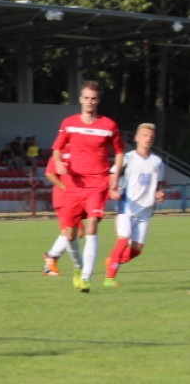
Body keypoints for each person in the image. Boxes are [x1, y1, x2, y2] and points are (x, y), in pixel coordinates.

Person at [51, 80, 124, 293]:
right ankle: (78, 266)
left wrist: (114, 174)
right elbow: (57, 148)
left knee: (92, 225)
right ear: (81, 99)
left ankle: (86, 277)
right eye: (86, 98)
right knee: (71, 234)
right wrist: (58, 162)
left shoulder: (109, 125)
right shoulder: (69, 123)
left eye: (93, 98)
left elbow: (119, 152)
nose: (90, 101)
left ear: (98, 100)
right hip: (73, 184)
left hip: (97, 183)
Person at [103, 123, 165, 287]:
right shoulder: (127, 158)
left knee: (137, 250)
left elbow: (158, 184)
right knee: (123, 241)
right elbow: (112, 174)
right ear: (136, 138)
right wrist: (112, 189)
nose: (148, 138)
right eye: (144, 135)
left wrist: (159, 192)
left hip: (145, 210)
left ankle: (112, 261)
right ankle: (109, 278)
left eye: (151, 136)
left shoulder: (157, 162)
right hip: (127, 207)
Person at [40, 145, 80, 277]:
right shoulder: (61, 152)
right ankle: (51, 258)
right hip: (64, 199)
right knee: (75, 231)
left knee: (72, 232)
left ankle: (50, 262)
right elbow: (49, 173)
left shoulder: (79, 151)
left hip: (73, 199)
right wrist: (64, 187)